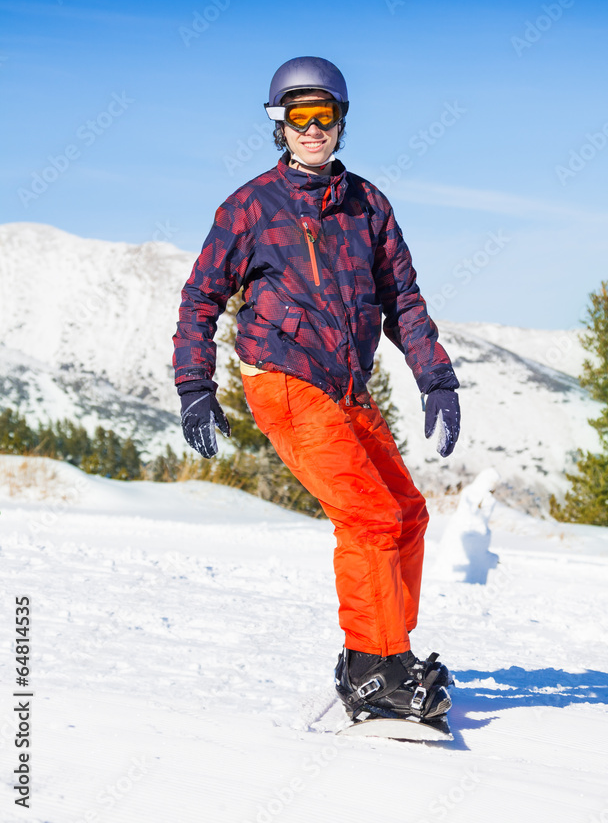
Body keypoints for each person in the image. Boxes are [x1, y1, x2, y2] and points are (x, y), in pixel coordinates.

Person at [172, 56, 461, 728]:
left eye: (322, 115)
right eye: (297, 116)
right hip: (283, 378)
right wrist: (195, 384)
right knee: (367, 517)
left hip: (345, 384)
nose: (311, 128)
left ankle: (387, 650)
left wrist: (435, 377)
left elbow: (403, 302)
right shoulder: (250, 205)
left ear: (339, 121)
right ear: (279, 124)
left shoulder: (367, 203)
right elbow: (199, 301)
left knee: (405, 512)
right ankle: (373, 666)